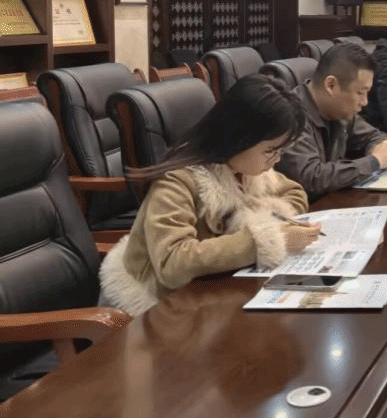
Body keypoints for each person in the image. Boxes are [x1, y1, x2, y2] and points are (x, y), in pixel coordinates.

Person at [99, 75, 320, 315]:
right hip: (156, 304)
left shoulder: (245, 170)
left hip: (209, 291)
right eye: (271, 151)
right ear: (240, 138)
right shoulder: (178, 180)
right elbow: (172, 263)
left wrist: (261, 219)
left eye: (281, 151)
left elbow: (294, 192)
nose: (277, 160)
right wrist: (266, 238)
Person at [277, 42, 387, 199]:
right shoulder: (290, 115)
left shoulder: (339, 111)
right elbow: (310, 178)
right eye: (360, 93)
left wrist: (381, 148)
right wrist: (374, 162)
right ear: (331, 85)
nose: (365, 102)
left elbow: (374, 136)